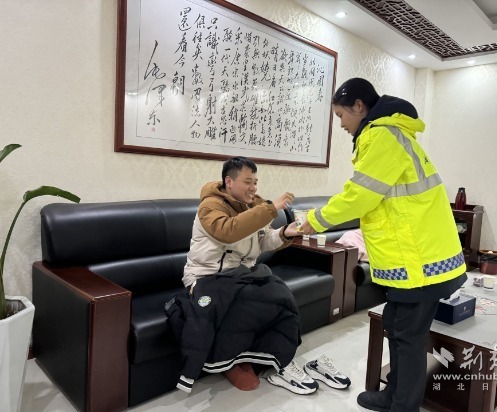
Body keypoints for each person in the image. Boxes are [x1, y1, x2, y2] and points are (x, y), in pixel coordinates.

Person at [299, 78, 467, 412]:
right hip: (412, 257)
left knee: (408, 336)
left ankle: (403, 405)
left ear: (359, 106)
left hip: (418, 259)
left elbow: (359, 196)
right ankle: (393, 395)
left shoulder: (382, 135)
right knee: (396, 327)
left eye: (341, 116)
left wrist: (314, 220)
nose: (341, 125)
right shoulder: (387, 133)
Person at [178, 156, 321, 395]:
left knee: (281, 296)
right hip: (207, 278)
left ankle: (271, 358)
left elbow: (263, 240)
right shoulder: (210, 207)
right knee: (248, 303)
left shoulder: (253, 206)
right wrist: (270, 208)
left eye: (255, 182)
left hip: (242, 276)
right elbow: (228, 231)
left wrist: (286, 232)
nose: (253, 188)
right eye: (247, 182)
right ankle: (232, 362)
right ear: (229, 182)